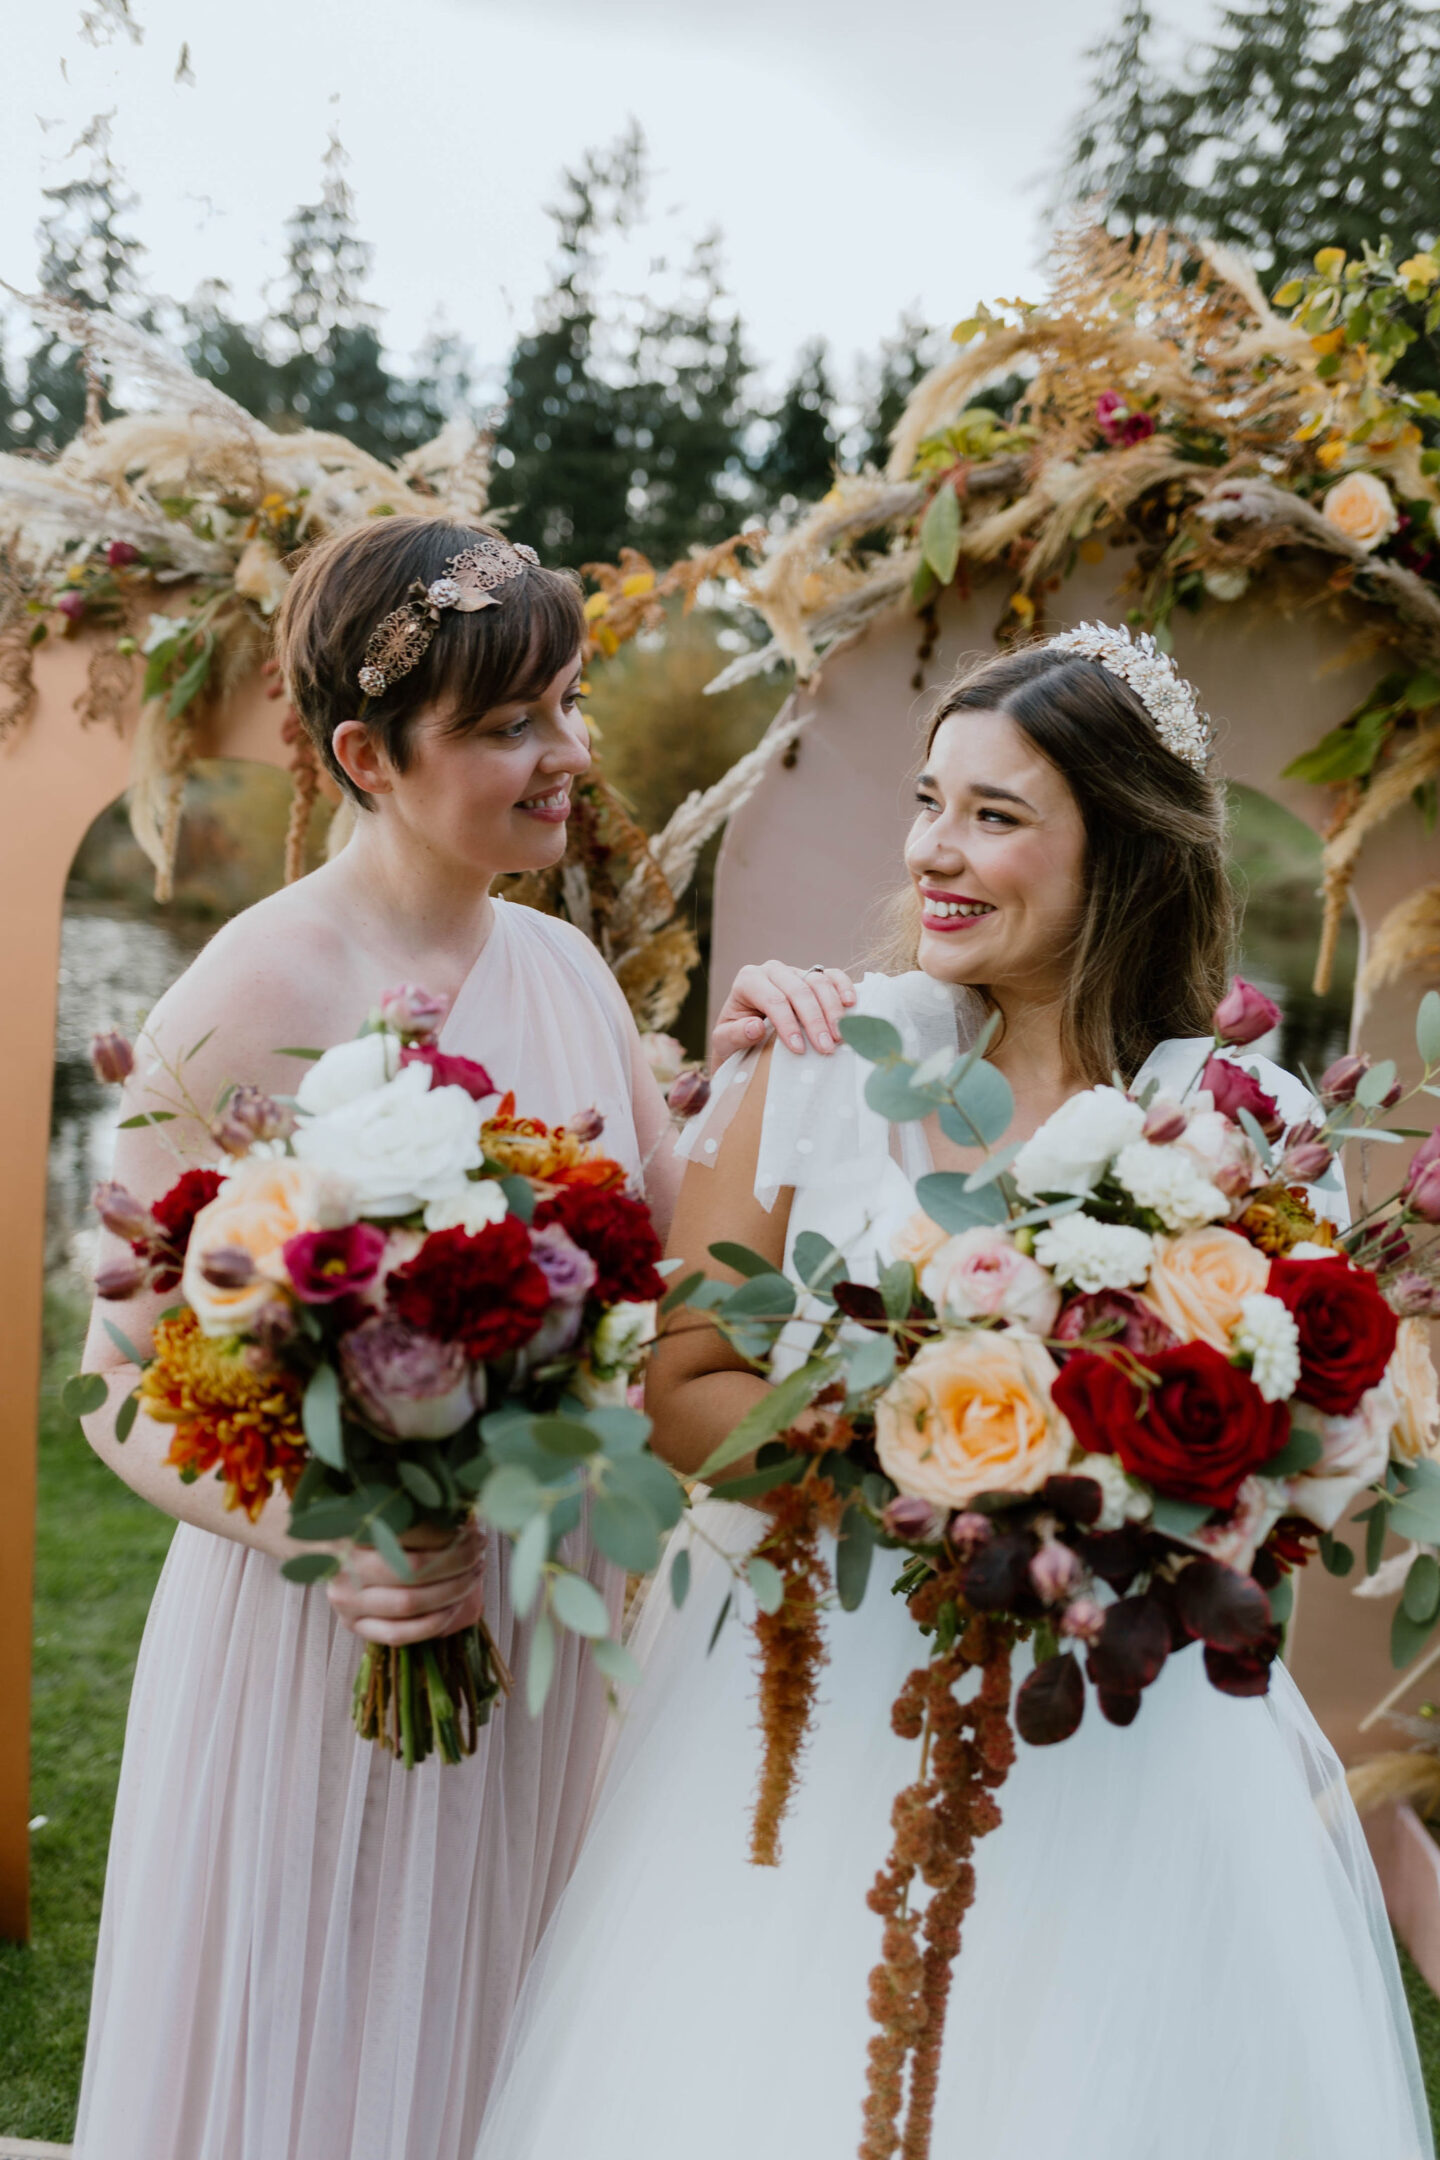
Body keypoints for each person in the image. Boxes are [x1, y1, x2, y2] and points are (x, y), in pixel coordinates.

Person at [471, 631, 1434, 2160]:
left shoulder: (1235, 1118)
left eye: (996, 815)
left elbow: (1289, 1440)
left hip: (1125, 1736)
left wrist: (1148, 1475)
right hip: (820, 1697)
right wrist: (914, 1463)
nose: (935, 850)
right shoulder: (822, 1063)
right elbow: (684, 1379)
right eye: (930, 802)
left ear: (1118, 845)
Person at [71, 516, 843, 2160]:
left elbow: (650, 1238)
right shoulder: (246, 988)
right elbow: (111, 1378)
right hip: (329, 1638)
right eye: (509, 727)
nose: (567, 757)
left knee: (513, 2060)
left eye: (564, 706)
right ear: (364, 753)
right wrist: (325, 1528)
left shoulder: (562, 965)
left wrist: (756, 1060)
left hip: (548, 1639)